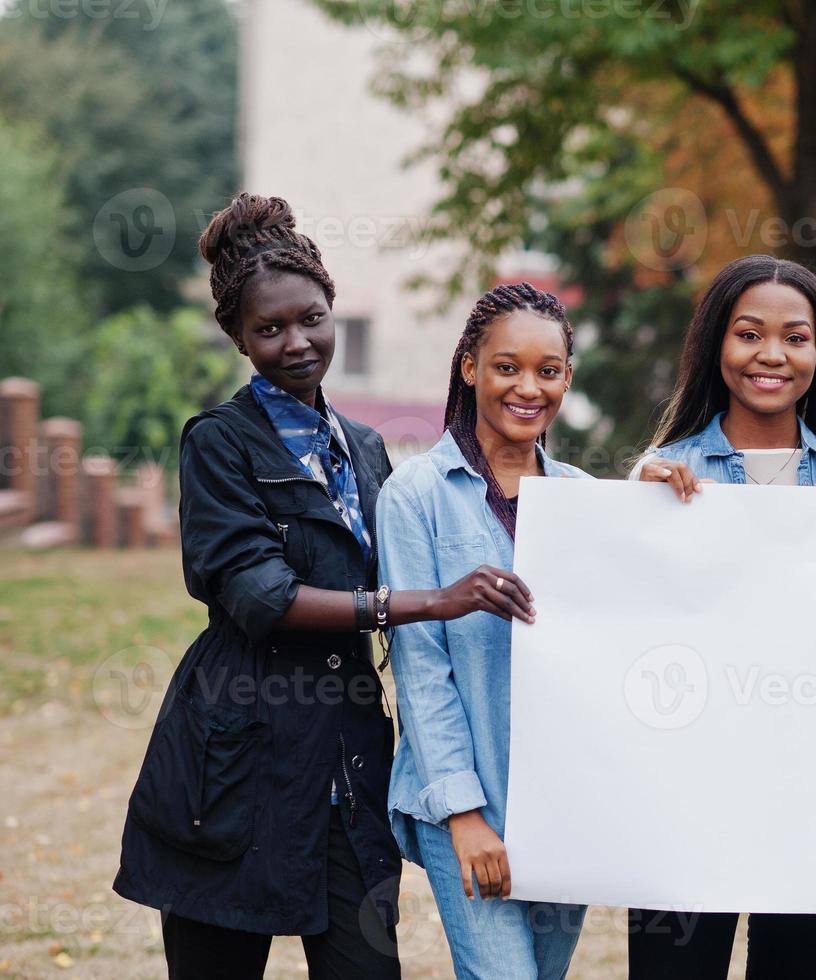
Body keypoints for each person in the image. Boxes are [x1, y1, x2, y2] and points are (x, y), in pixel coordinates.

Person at [114, 193, 517, 978]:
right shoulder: (218, 445)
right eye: (269, 329)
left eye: (311, 318)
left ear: (332, 309)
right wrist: (428, 601)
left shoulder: (365, 449)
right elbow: (262, 599)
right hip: (235, 760)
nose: (296, 343)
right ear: (238, 337)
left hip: (349, 758)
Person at [626, 254, 816, 979]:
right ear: (716, 345)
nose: (771, 355)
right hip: (683, 803)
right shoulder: (657, 476)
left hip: (810, 806)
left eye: (795, 338)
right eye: (748, 333)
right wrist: (627, 516)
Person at [375, 282, 589, 978]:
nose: (528, 387)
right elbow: (419, 668)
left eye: (548, 371)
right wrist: (464, 814)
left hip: (563, 803)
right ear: (469, 366)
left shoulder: (583, 501)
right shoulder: (415, 495)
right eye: (507, 366)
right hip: (468, 797)